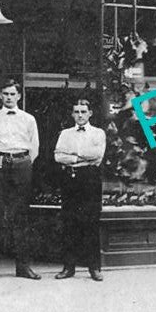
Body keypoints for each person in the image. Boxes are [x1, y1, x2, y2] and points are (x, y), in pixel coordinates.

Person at [0, 79, 40, 281]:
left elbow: (35, 148)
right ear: (0, 96)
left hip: (22, 163)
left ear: (19, 96)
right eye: (5, 93)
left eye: (12, 94)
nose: (9, 97)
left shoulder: (29, 119)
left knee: (21, 216)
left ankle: (23, 266)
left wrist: (23, 163)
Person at [53, 97, 107, 281]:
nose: (80, 115)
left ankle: (94, 268)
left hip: (90, 179)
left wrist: (73, 154)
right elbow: (58, 156)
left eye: (83, 111)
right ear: (72, 114)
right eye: (76, 111)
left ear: (90, 113)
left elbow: (97, 156)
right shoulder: (65, 134)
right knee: (69, 223)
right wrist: (79, 159)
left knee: (91, 223)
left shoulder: (98, 133)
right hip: (70, 179)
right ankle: (68, 267)